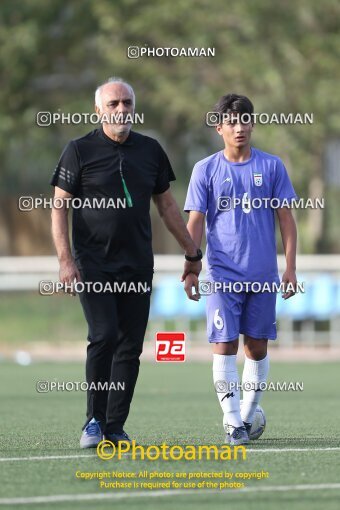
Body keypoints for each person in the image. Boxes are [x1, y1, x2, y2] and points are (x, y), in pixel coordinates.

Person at [51, 77, 202, 448]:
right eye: (114, 103)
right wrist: (65, 261)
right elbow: (59, 207)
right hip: (94, 264)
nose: (121, 110)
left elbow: (167, 206)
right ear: (99, 110)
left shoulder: (150, 150)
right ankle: (93, 421)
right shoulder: (78, 150)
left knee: (130, 345)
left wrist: (192, 252)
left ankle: (115, 427)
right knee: (103, 335)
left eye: (127, 103)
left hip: (137, 264)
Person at [184, 93, 297, 445]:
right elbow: (196, 222)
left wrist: (290, 268)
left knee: (257, 349)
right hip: (221, 276)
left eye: (245, 119)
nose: (239, 127)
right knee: (224, 344)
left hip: (262, 277)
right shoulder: (205, 169)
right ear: (218, 127)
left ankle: (247, 415)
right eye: (231, 121)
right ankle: (232, 422)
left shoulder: (272, 167)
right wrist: (190, 266)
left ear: (252, 123)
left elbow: (287, 221)